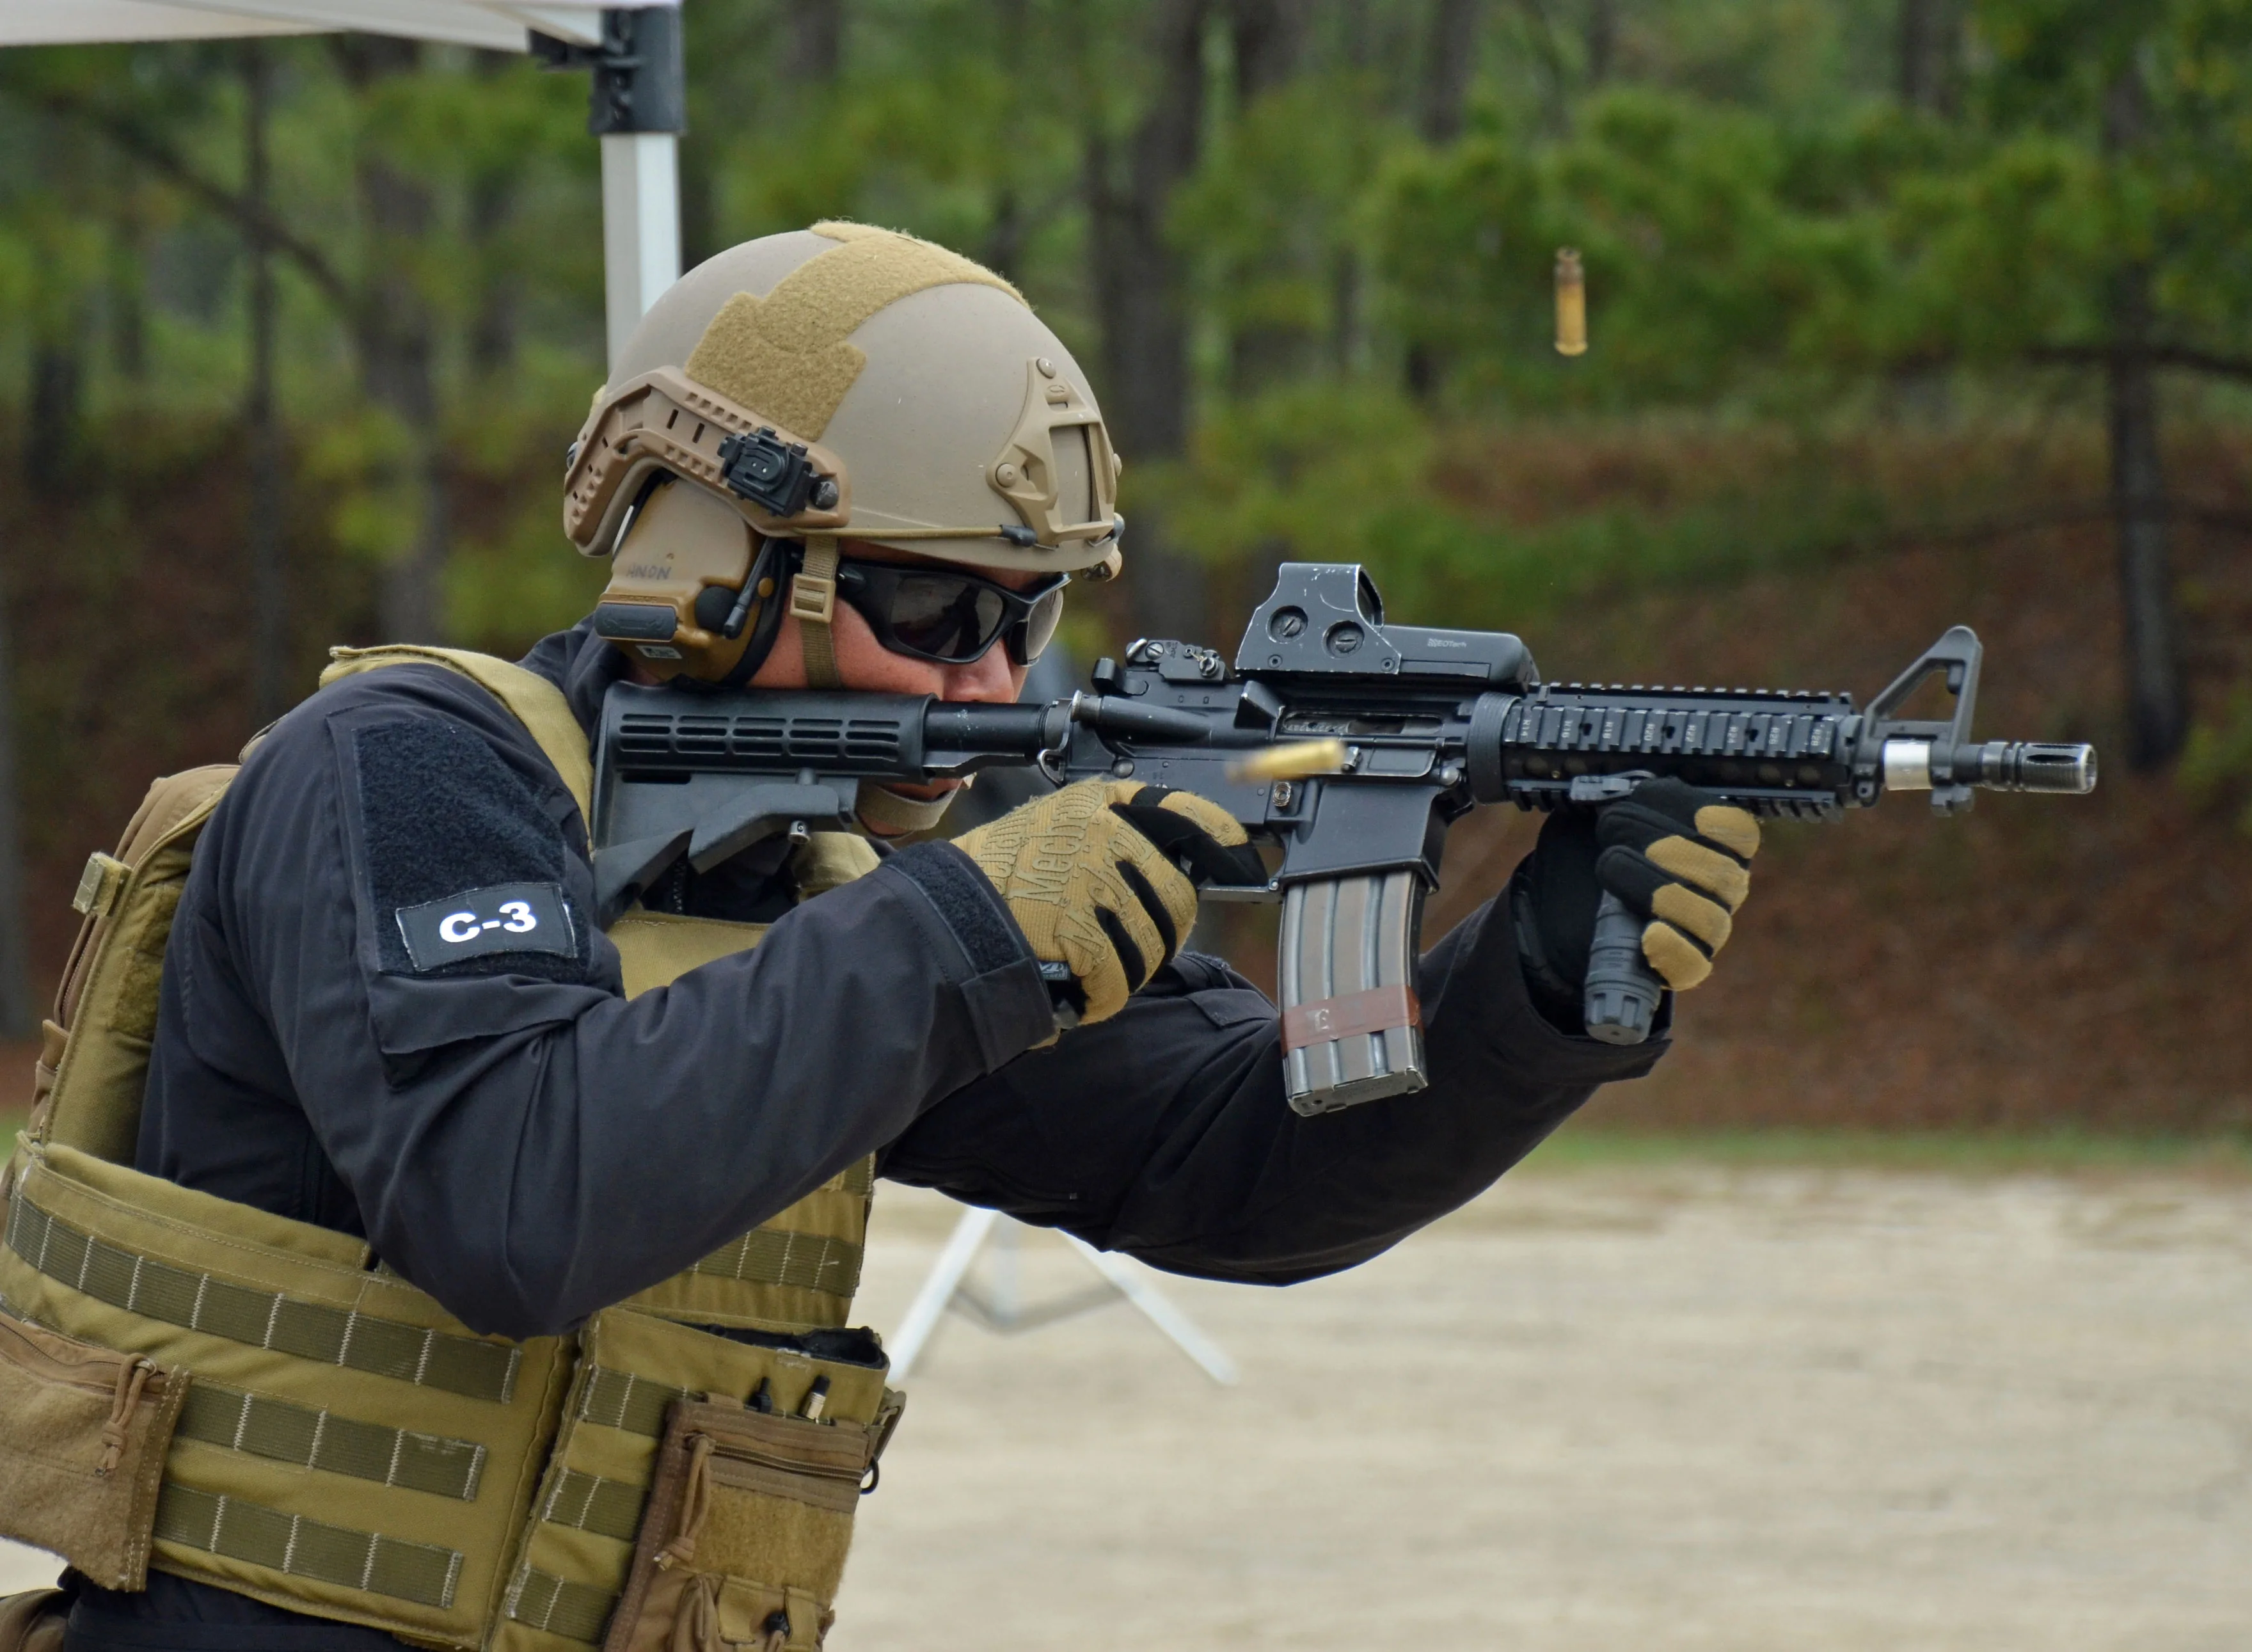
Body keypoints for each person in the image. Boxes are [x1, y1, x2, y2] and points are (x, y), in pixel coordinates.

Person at [19, 223, 1759, 1652]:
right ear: (715, 556)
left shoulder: (826, 892)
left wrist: (1537, 979)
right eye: (929, 609)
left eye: (1027, 617)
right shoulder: (406, 767)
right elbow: (508, 1195)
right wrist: (966, 927)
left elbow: (1237, 1163)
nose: (985, 685)